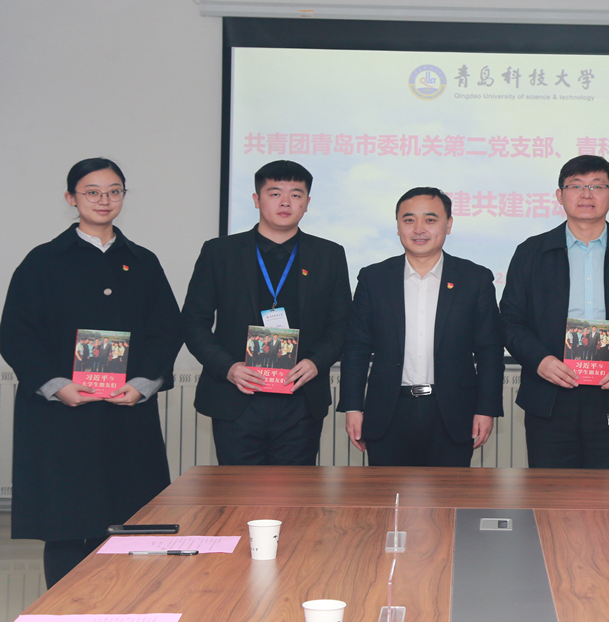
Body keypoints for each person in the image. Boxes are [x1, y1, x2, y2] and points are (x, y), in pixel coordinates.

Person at [0, 158, 183, 587]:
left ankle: (126, 609)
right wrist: (56, 386)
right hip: (60, 417)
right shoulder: (43, 261)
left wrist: (142, 385)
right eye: (93, 192)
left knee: (129, 524)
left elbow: (167, 330)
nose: (104, 200)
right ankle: (66, 610)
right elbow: (16, 334)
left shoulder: (142, 261)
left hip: (126, 413)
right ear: (71, 198)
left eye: (114, 191)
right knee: (66, 526)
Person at [499, 155, 609, 469]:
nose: (586, 194)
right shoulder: (531, 252)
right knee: (550, 492)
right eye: (576, 186)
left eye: (597, 186)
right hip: (549, 392)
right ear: (560, 195)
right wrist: (540, 360)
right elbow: (510, 320)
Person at [182, 160, 351, 465]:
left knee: (295, 491)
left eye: (296, 195)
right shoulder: (220, 252)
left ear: (307, 203)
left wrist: (316, 362)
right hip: (236, 396)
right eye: (275, 193)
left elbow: (341, 325)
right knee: (237, 490)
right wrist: (228, 368)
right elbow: (193, 323)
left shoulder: (329, 255)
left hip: (301, 399)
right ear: (256, 199)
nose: (286, 202)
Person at [338, 187, 503, 466]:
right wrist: (353, 406)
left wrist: (486, 409)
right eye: (409, 220)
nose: (419, 229)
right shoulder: (373, 278)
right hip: (388, 411)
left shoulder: (474, 279)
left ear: (448, 225)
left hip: (452, 412)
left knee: (449, 493)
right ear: (398, 226)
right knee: (386, 492)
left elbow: (490, 350)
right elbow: (356, 347)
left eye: (430, 219)